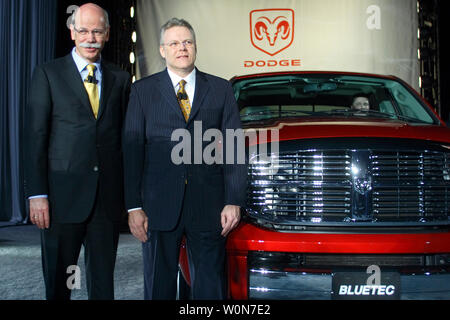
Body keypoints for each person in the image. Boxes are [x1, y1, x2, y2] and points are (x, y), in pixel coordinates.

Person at [123, 18, 247, 300]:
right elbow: (132, 152)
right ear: (162, 50)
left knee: (210, 286)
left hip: (209, 205)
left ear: (195, 47)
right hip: (158, 206)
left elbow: (234, 147)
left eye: (188, 42)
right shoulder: (142, 92)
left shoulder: (220, 89)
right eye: (175, 43)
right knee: (159, 286)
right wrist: (133, 206)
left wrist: (234, 200)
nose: (182, 48)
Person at [24, 3, 130, 300]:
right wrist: (37, 194)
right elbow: (35, 137)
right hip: (60, 199)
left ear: (107, 34)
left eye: (97, 31)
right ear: (72, 32)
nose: (90, 38)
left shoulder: (120, 79)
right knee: (63, 281)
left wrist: (129, 197)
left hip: (105, 202)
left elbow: (124, 140)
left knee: (101, 284)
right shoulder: (48, 74)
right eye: (83, 30)